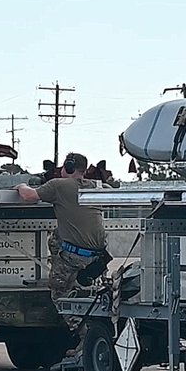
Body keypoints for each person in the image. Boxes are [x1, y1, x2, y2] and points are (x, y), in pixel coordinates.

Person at [16, 152, 112, 354]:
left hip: (72, 258)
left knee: (61, 296)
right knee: (93, 299)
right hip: (97, 259)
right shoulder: (97, 187)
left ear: (67, 168)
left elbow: (29, 197)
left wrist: (20, 185)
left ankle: (86, 342)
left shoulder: (59, 185)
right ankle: (100, 338)